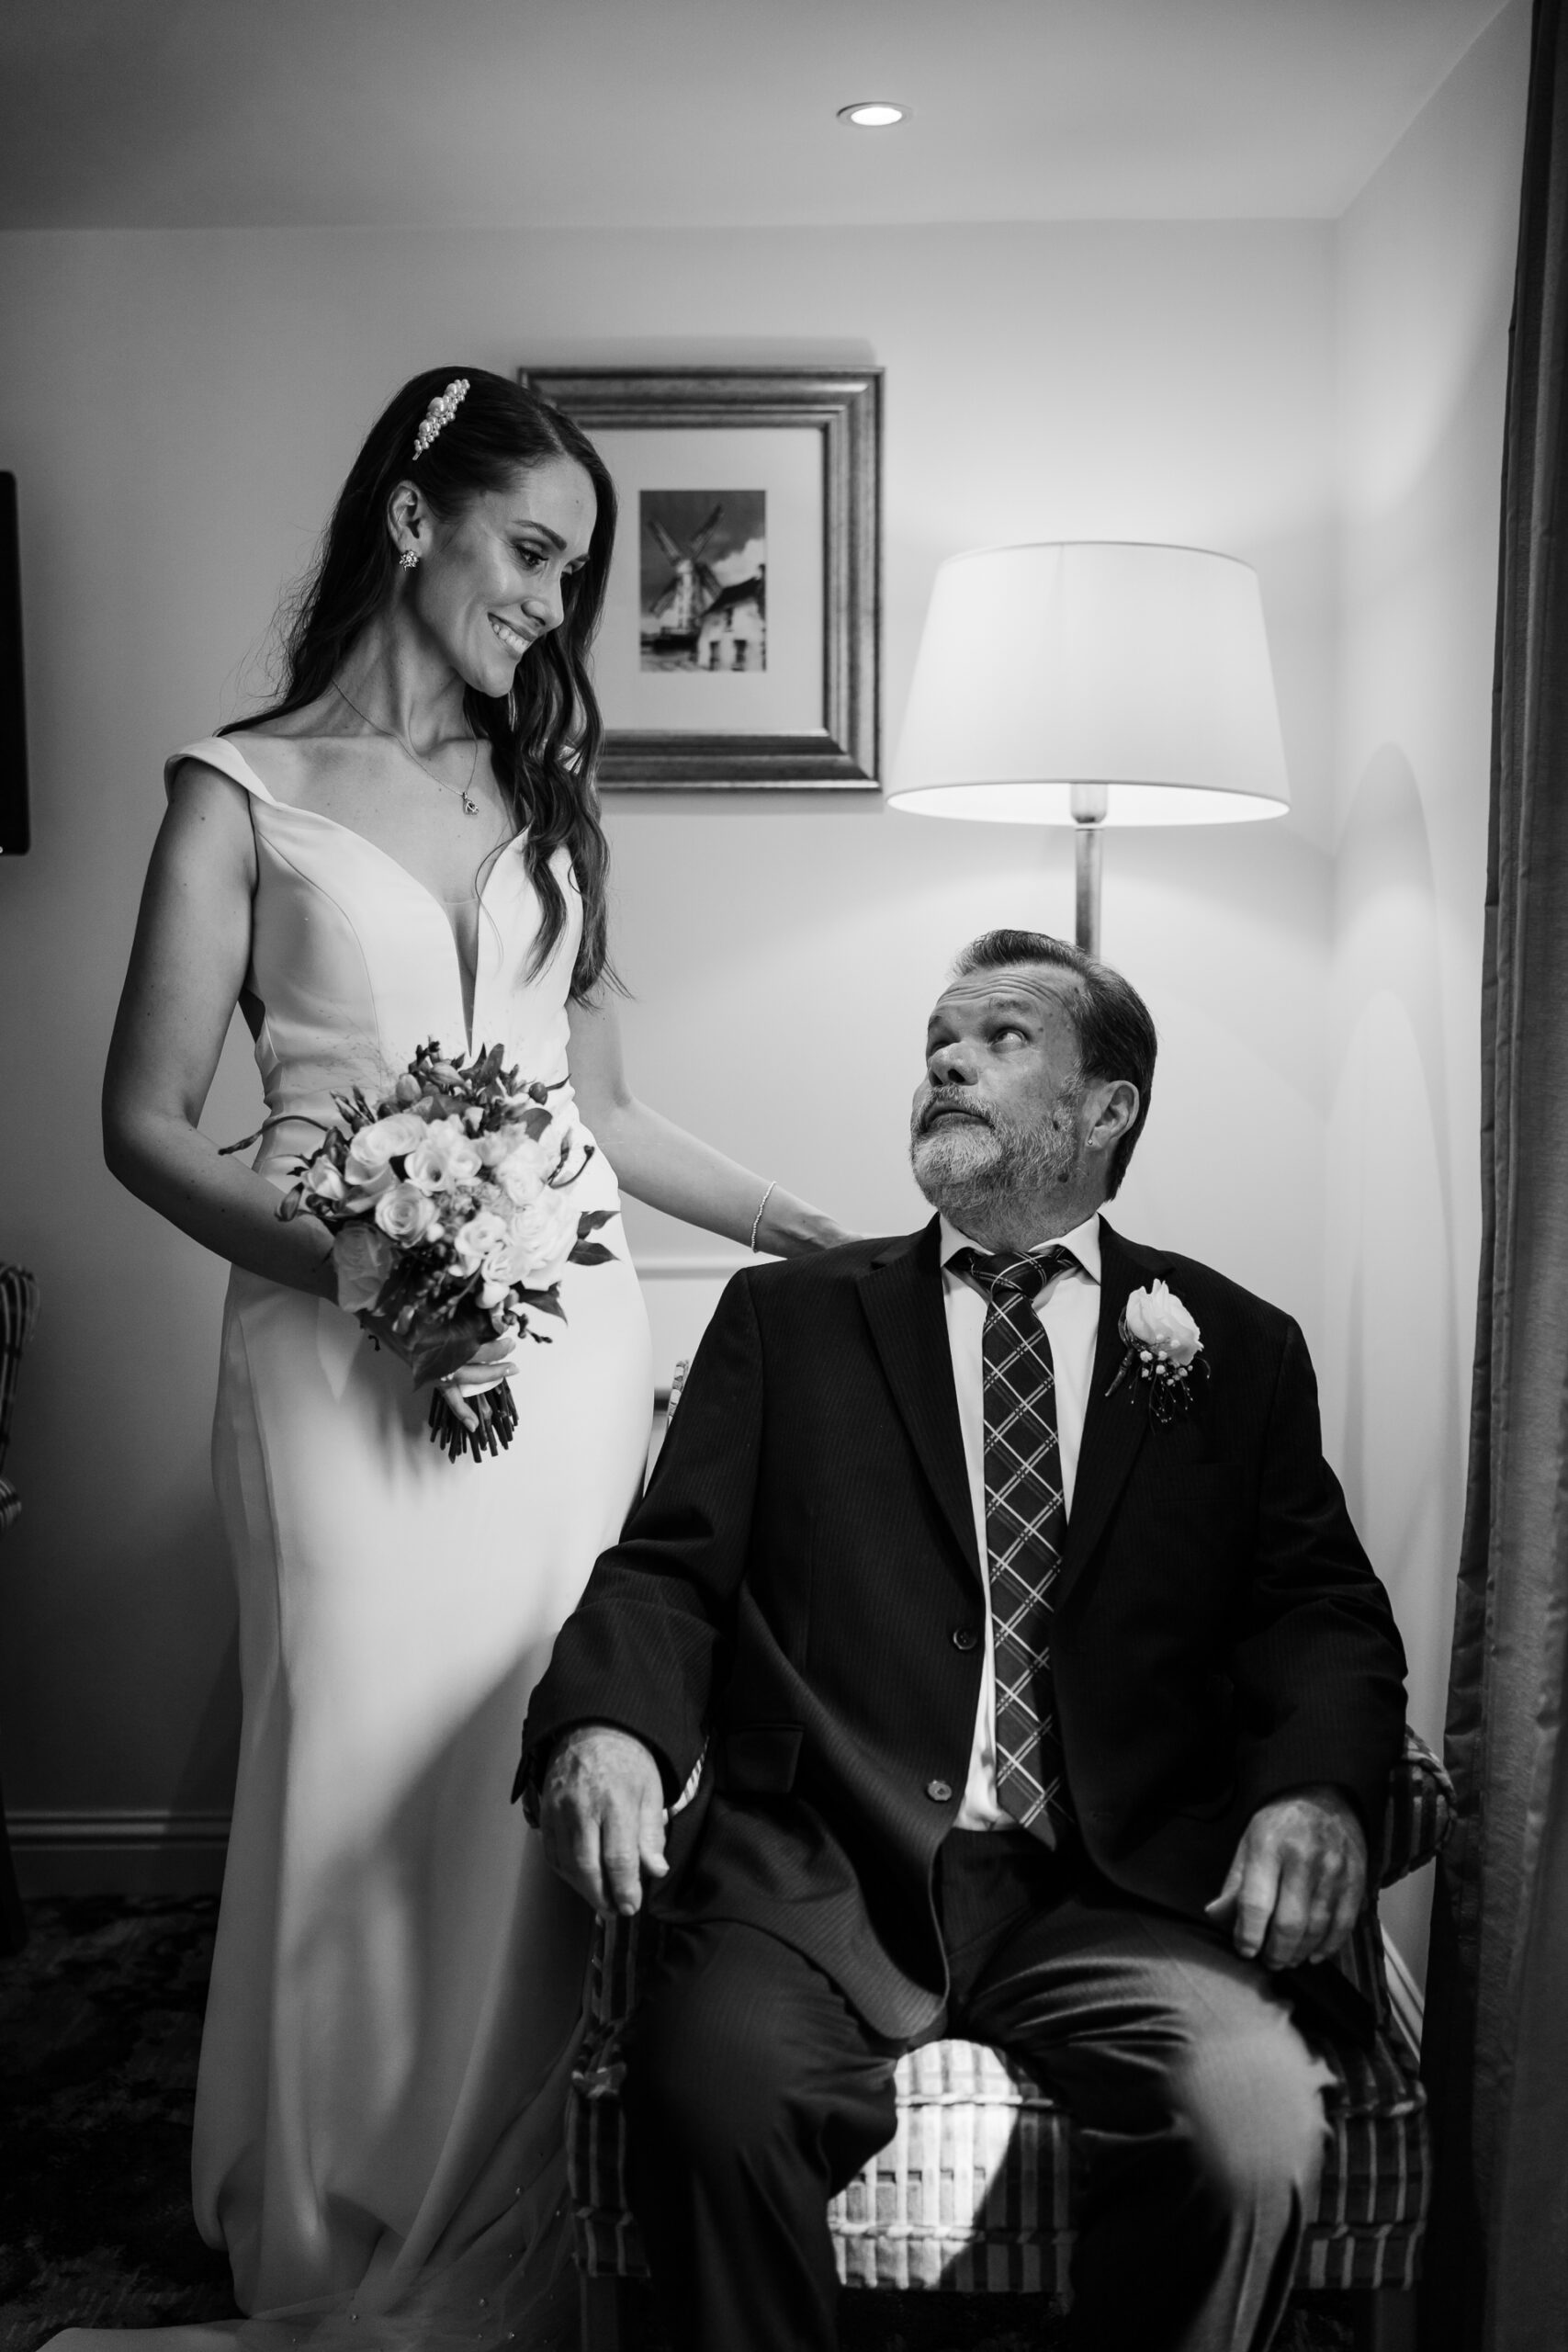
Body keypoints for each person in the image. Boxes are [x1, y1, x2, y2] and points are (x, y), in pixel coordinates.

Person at [90, 367, 847, 2352]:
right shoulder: (234, 788)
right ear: (414, 515)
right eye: (528, 551)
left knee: (541, 1741)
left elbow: (602, 1110)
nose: (548, 604)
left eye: (576, 578)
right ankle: (335, 2210)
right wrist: (357, 1262)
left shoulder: (549, 803)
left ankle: (550, 2180)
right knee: (348, 1749)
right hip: (336, 1358)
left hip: (564, 1342)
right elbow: (147, 1122)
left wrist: (818, 1238)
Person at [523, 928, 1409, 2352]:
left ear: (1105, 1110)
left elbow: (1319, 1613)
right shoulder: (788, 1319)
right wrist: (609, 1725)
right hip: (826, 1875)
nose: (946, 1059)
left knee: (1252, 2116)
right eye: (939, 1039)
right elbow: (668, 1573)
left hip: (1115, 1885)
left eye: (1000, 1039)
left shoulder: (1235, 1344)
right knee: (713, 2097)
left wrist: (1314, 1789)